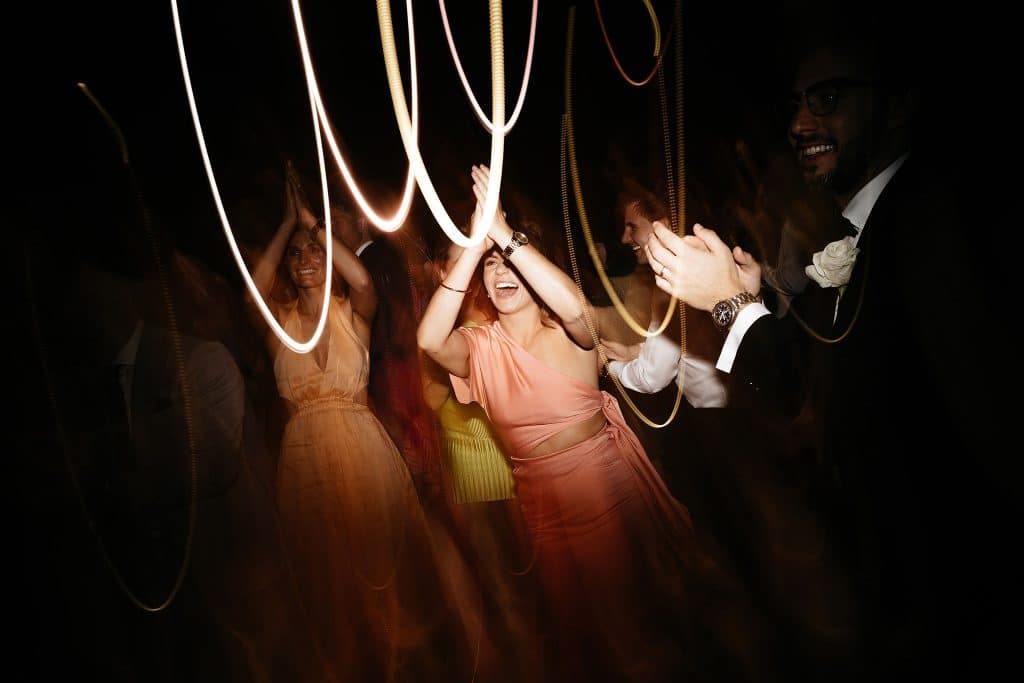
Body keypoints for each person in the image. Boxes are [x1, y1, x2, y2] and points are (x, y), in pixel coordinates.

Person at [644, 21, 1015, 682]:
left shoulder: (930, 217)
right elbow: (841, 360)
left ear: (897, 105)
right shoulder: (859, 226)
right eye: (796, 104)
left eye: (830, 99)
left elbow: (815, 394)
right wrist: (755, 290)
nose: (803, 121)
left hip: (947, 576)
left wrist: (730, 305)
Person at [418, 164, 768, 683]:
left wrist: (504, 236)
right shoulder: (478, 348)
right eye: (488, 267)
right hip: (541, 506)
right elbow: (428, 340)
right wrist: (476, 240)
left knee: (642, 627)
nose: (500, 271)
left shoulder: (571, 328)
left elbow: (576, 309)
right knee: (585, 639)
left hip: (605, 487)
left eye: (507, 260)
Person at [245, 166, 471, 682]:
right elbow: (253, 292)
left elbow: (365, 279)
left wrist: (315, 225)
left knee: (382, 566)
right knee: (327, 579)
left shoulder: (354, 313)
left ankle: (408, 667)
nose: (305, 261)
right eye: (297, 254)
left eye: (314, 252)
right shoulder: (280, 325)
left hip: (365, 452)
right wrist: (287, 227)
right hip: (305, 459)